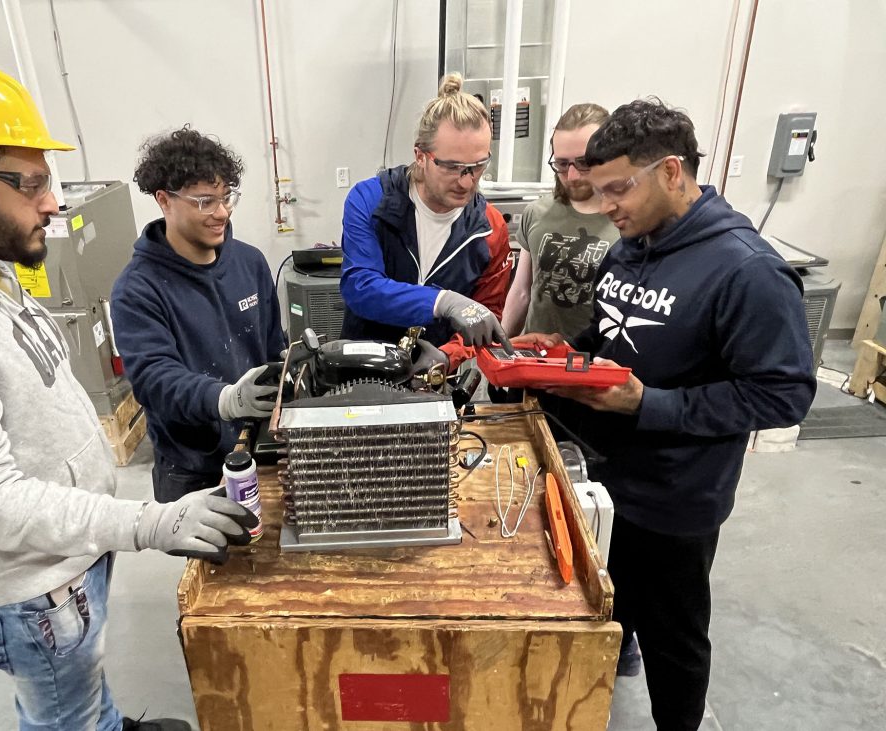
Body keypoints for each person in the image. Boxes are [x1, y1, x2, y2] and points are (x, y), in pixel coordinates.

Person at [0, 61, 258, 731]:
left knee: (82, 681)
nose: (54, 203)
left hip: (69, 550)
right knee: (60, 714)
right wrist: (146, 520)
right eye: (34, 184)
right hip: (33, 589)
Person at [516, 98, 816, 730]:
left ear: (672, 172)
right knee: (604, 606)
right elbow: (616, 342)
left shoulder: (747, 271)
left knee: (672, 638)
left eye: (618, 189)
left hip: (674, 493)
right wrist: (567, 357)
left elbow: (782, 394)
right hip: (602, 473)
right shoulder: (632, 243)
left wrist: (651, 405)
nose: (606, 207)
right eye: (596, 192)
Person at [110, 127, 285, 503]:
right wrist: (225, 399)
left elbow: (274, 347)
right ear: (164, 200)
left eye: (226, 198)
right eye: (205, 201)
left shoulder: (250, 263)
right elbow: (154, 379)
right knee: (205, 562)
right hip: (191, 468)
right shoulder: (138, 290)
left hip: (258, 448)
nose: (221, 212)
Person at [340, 73, 513, 374]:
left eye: (478, 166)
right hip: (363, 371)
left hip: (435, 377)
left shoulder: (490, 228)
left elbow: (485, 315)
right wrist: (442, 301)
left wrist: (447, 357)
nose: (467, 181)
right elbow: (361, 287)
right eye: (452, 167)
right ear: (420, 155)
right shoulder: (371, 200)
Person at [502, 103, 618, 340]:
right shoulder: (537, 213)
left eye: (584, 163)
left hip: (594, 362)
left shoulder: (626, 220)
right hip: (536, 358)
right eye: (563, 164)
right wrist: (501, 348)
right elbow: (522, 292)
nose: (572, 176)